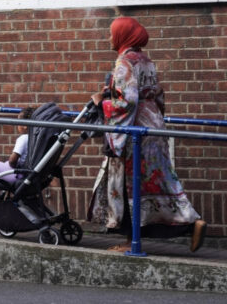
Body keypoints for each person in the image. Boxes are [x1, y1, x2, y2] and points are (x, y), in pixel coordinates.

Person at [87, 16, 207, 252]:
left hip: (135, 131)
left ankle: (131, 242)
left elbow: (126, 103)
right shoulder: (146, 60)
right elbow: (158, 95)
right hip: (154, 127)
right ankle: (192, 222)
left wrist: (101, 103)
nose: (109, 38)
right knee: (162, 182)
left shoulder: (125, 62)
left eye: (112, 33)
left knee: (127, 185)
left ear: (123, 35)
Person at [0, 107, 34, 186]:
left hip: (17, 175)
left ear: (25, 126)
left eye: (19, 122)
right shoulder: (35, 138)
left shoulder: (23, 139)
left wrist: (11, 166)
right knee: (4, 165)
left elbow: (12, 161)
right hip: (27, 174)